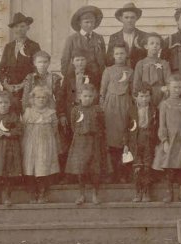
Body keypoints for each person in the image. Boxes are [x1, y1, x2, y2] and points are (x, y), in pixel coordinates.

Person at [65, 84, 110, 205]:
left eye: (90, 96)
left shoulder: (98, 110)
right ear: (80, 96)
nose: (87, 98)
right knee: (81, 169)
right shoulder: (75, 110)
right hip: (80, 142)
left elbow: (102, 126)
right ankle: (81, 194)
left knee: (95, 169)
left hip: (95, 142)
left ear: (94, 96)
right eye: (85, 96)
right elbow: (73, 126)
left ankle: (95, 194)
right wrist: (83, 132)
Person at [153, 75, 181, 203]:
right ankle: (169, 193)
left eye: (180, 87)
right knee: (169, 166)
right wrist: (164, 140)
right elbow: (162, 124)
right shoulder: (164, 104)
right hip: (171, 139)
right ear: (169, 88)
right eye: (174, 87)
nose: (177, 90)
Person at [22, 86, 63, 203]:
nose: (41, 100)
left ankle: (42, 193)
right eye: (38, 97)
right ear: (33, 99)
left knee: (43, 167)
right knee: (30, 167)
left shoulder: (51, 113)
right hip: (30, 143)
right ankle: (31, 193)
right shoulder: (28, 112)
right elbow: (24, 127)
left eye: (44, 97)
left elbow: (55, 129)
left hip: (46, 143)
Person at [100, 43, 134, 183]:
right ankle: (111, 172)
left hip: (125, 104)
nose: (120, 56)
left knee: (123, 137)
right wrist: (102, 106)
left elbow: (132, 91)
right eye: (117, 53)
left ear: (126, 55)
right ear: (113, 56)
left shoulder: (130, 71)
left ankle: (123, 173)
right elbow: (103, 89)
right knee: (110, 138)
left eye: (122, 53)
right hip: (110, 106)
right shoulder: (108, 70)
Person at [0, 12, 41, 111]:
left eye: (22, 26)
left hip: (28, 89)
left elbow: (37, 69)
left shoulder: (34, 46)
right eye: (16, 27)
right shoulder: (9, 47)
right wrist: (7, 85)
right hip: (10, 90)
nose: (19, 29)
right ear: (13, 29)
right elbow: (1, 70)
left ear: (28, 28)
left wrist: (23, 85)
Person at [0, 92, 23, 206]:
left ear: (10, 104)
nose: (3, 105)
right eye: (0, 103)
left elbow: (20, 131)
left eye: (6, 102)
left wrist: (9, 134)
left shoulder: (13, 116)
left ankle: (7, 196)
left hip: (10, 148)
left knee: (8, 172)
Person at [124, 85, 157, 202]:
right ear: (135, 97)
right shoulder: (131, 110)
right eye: (141, 96)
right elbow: (126, 128)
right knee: (137, 167)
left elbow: (156, 127)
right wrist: (126, 144)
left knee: (147, 166)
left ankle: (147, 191)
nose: (144, 99)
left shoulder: (154, 110)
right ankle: (138, 191)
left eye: (147, 96)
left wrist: (156, 141)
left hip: (149, 140)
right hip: (135, 141)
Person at [60, 5, 106, 86]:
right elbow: (65, 59)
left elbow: (103, 58)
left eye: (92, 22)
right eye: (87, 22)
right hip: (76, 76)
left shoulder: (99, 38)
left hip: (96, 76)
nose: (90, 25)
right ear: (80, 23)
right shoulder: (72, 39)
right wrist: (68, 77)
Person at [132, 33, 171, 108]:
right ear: (146, 46)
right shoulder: (141, 63)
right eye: (152, 43)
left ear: (160, 47)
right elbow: (136, 84)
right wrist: (138, 100)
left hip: (160, 96)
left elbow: (169, 83)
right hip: (145, 96)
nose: (155, 46)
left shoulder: (164, 63)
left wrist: (164, 100)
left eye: (157, 44)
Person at [106, 2, 148, 70]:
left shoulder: (144, 36)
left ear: (136, 18)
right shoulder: (114, 37)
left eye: (132, 17)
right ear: (121, 19)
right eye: (126, 17)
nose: (129, 20)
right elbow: (109, 60)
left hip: (139, 74)